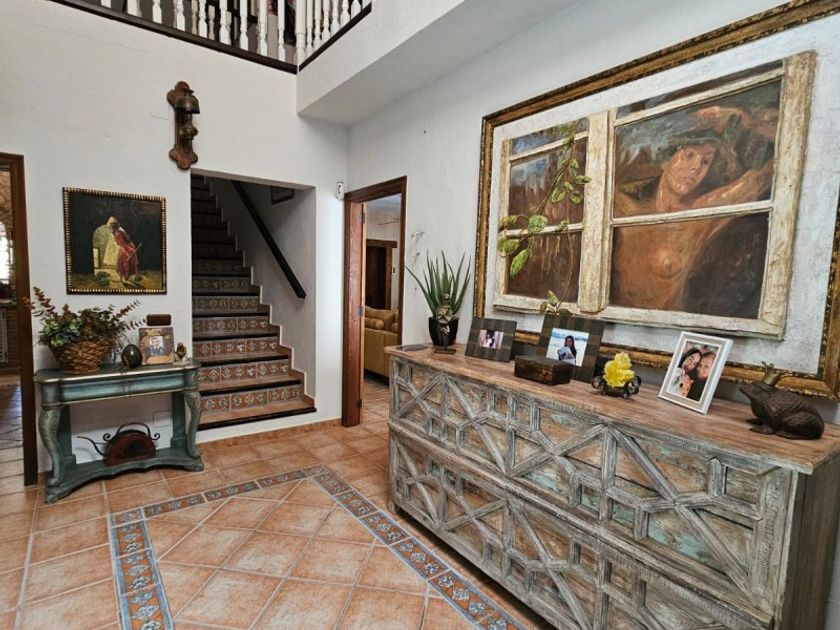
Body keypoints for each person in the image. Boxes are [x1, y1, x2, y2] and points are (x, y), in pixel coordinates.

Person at [611, 105, 776, 314]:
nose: (696, 168)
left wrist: (742, 118)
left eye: (705, 161)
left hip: (664, 328)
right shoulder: (625, 209)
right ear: (665, 159)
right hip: (615, 323)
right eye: (689, 155)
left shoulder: (699, 214)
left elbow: (773, 167)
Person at [108, 217, 139, 282]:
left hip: (127, 248)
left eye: (113, 226)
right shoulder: (114, 232)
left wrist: (130, 248)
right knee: (121, 263)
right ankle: (121, 278)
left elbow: (128, 239)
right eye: (111, 226)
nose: (112, 228)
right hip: (121, 248)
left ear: (116, 225)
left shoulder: (121, 231)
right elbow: (118, 242)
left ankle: (128, 277)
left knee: (127, 263)